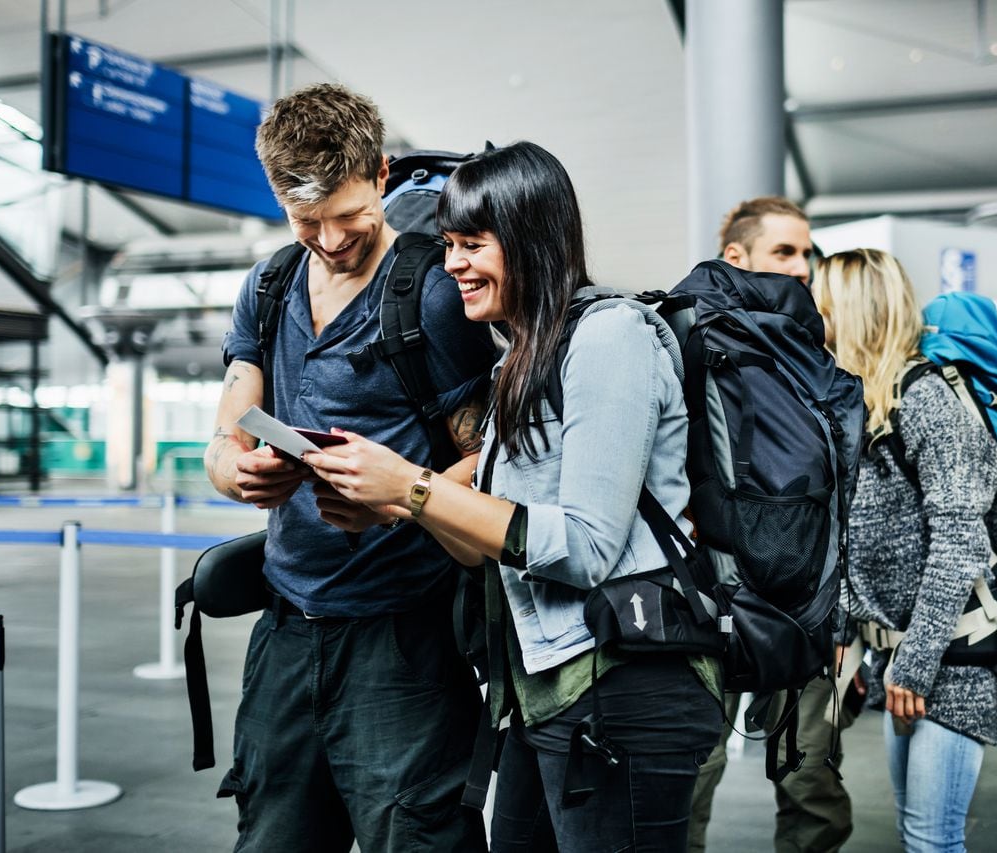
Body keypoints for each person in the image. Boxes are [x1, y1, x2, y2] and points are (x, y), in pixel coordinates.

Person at [305, 141, 723, 853]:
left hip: (625, 687)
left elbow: (588, 546)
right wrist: (398, 500)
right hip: (548, 689)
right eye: (448, 245)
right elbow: (485, 542)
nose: (452, 265)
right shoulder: (522, 356)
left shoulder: (609, 337)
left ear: (532, 241)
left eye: (472, 244)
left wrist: (410, 484)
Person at [204, 83, 495, 852]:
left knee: (420, 838)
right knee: (273, 836)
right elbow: (223, 437)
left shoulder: (433, 290)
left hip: (405, 641)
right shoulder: (267, 288)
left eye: (348, 215)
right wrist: (240, 474)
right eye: (307, 221)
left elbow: (492, 464)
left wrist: (396, 498)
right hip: (286, 632)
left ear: (382, 174)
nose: (331, 240)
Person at [812, 248, 997, 853]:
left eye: (825, 303)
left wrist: (911, 664)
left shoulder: (928, 402)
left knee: (931, 839)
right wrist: (848, 642)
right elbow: (852, 542)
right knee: (917, 832)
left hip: (957, 656)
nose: (815, 316)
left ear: (857, 313)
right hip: (909, 659)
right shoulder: (867, 407)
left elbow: (958, 546)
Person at [688, 195, 859, 853]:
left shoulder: (811, 349)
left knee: (813, 780)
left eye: (805, 253)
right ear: (737, 255)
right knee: (688, 776)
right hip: (709, 597)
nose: (801, 266)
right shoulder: (683, 332)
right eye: (784, 251)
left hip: (807, 600)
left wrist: (843, 615)